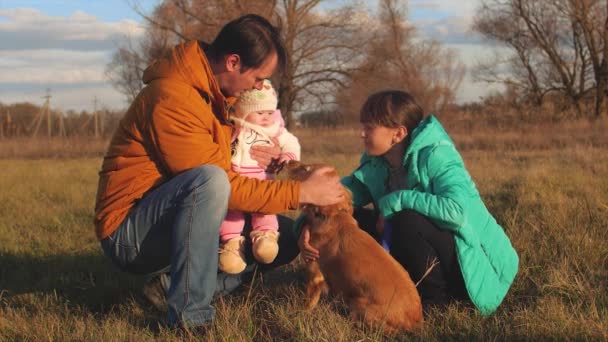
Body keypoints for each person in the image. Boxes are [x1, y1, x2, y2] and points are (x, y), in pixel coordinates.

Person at [94, 14, 344, 331]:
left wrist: (263, 154)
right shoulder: (173, 98)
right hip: (128, 233)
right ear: (233, 62)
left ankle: (170, 288)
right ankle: (190, 318)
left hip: (175, 214)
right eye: (258, 78)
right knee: (209, 181)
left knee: (286, 236)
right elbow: (220, 184)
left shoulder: (215, 96)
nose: (260, 87)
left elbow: (222, 165)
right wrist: (302, 192)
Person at [299, 90, 519, 315]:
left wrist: (397, 200)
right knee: (353, 219)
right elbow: (339, 197)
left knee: (407, 219)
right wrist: (306, 223)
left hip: (473, 268)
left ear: (398, 134)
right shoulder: (377, 162)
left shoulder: (437, 154)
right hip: (426, 252)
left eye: (369, 127)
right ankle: (350, 285)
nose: (361, 133)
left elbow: (457, 211)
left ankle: (436, 305)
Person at [219, 79, 300, 274]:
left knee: (265, 211)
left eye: (270, 113)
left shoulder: (274, 129)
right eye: (259, 113)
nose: (266, 118)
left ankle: (266, 238)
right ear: (243, 112)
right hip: (234, 187)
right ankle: (231, 245)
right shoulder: (233, 128)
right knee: (231, 216)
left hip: (263, 183)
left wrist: (287, 156)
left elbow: (290, 142)